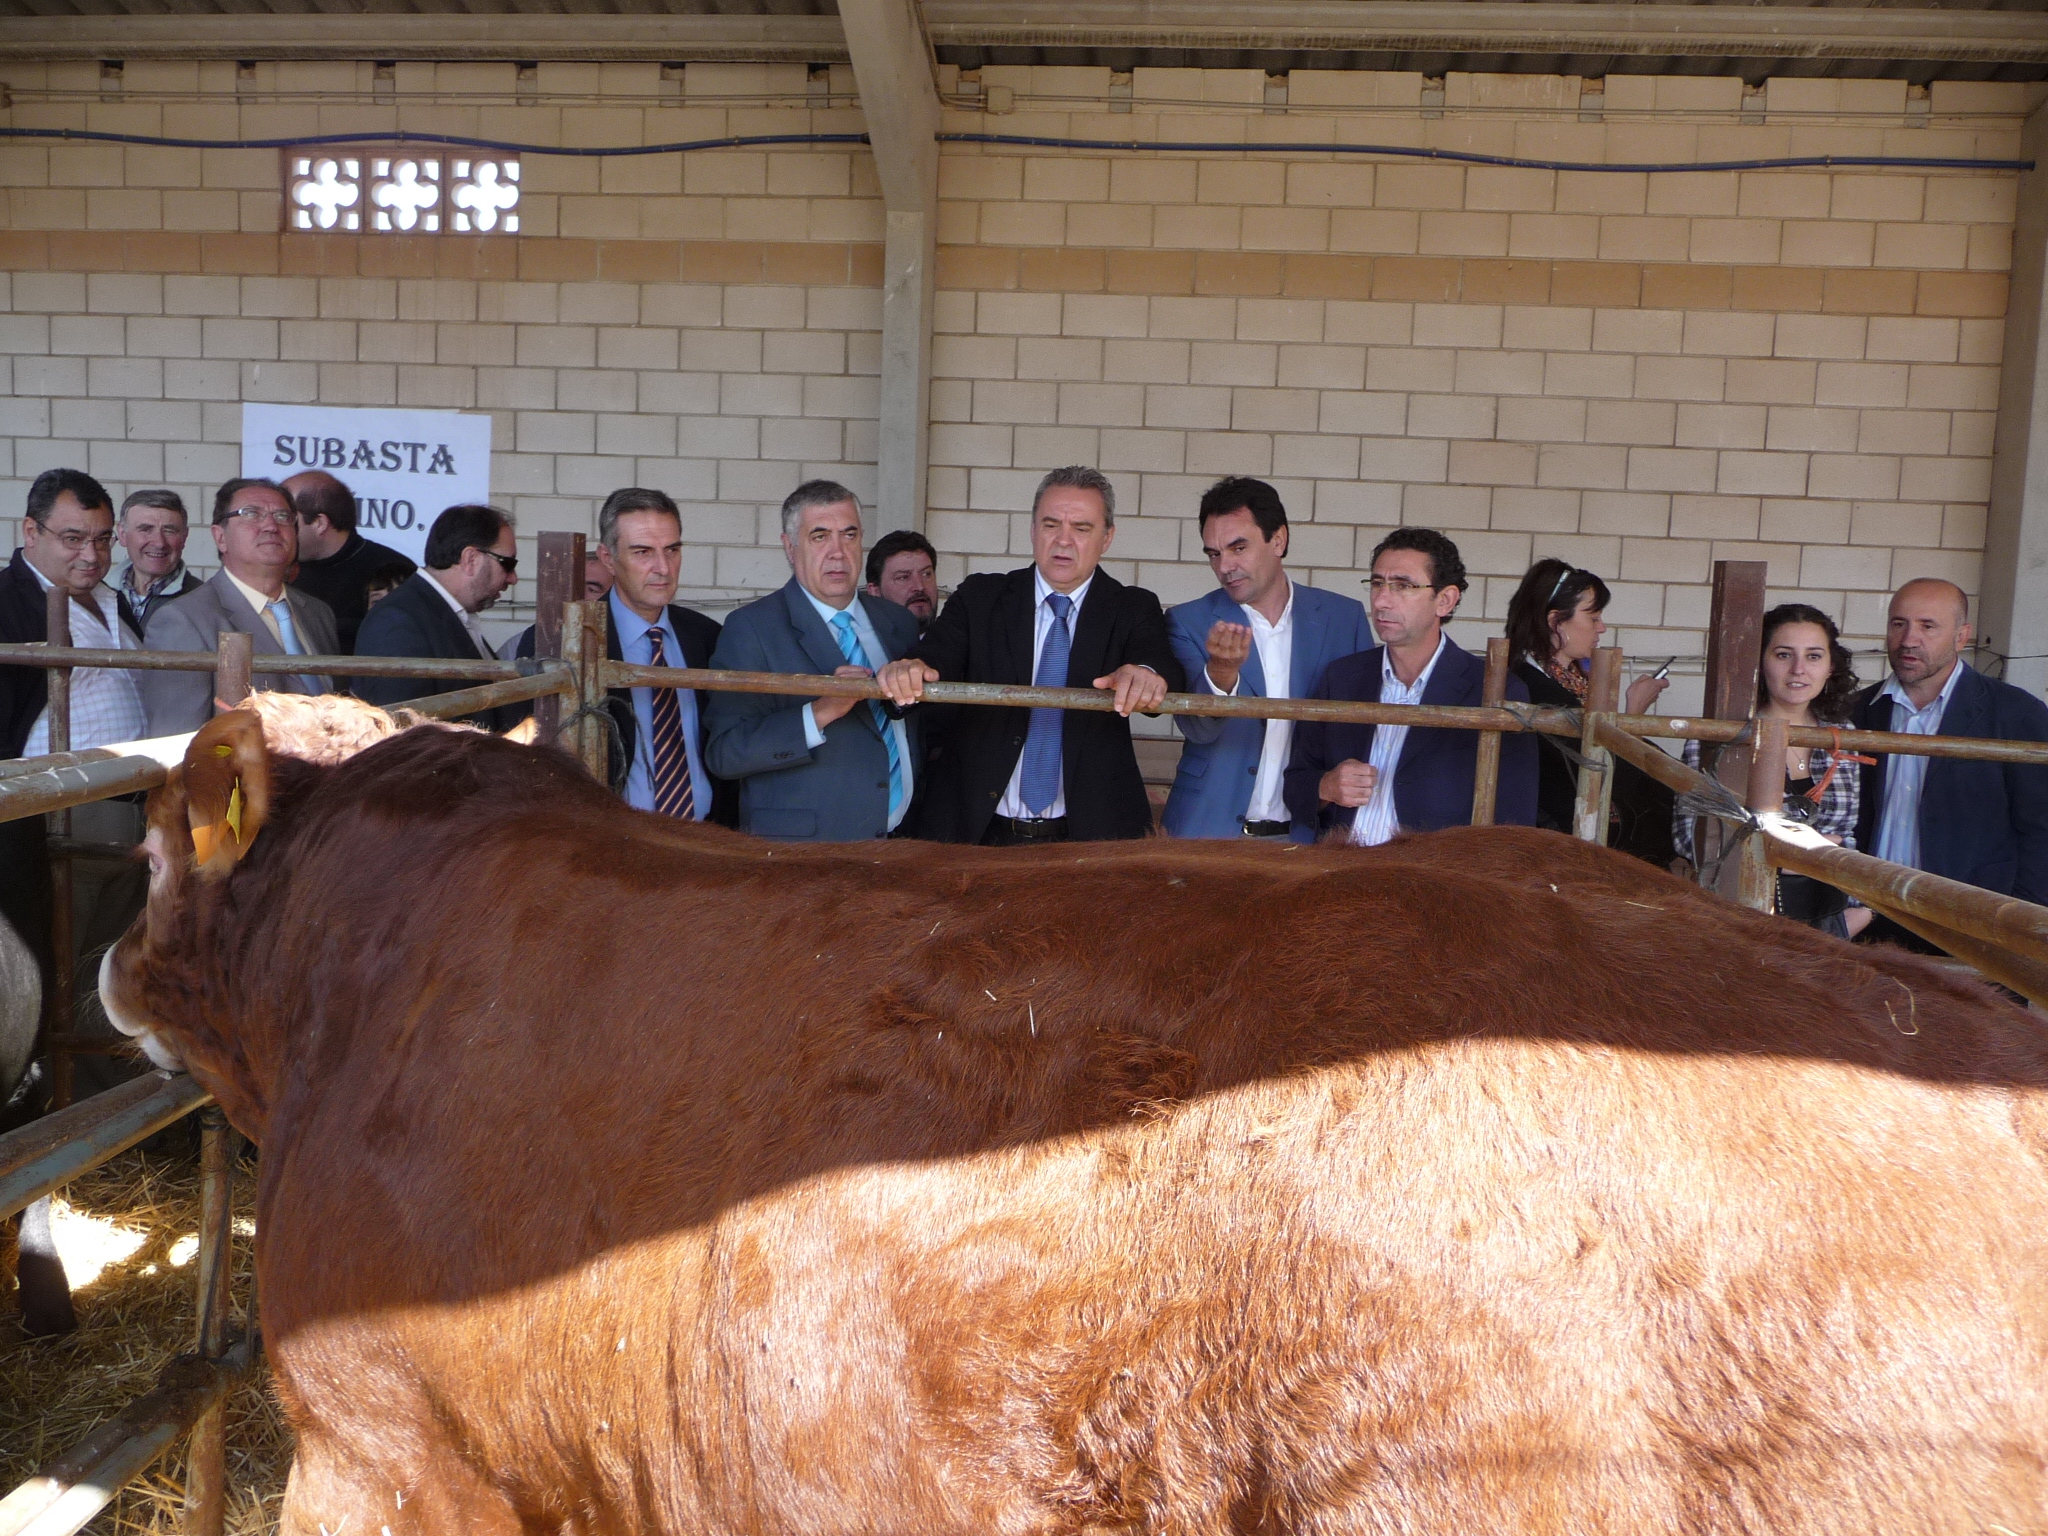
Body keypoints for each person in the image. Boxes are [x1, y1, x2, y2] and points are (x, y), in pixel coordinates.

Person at [878, 465, 1184, 845]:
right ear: (1033, 529)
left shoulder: (1132, 607)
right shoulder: (980, 597)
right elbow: (935, 654)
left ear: (1107, 538)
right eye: (1051, 524)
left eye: (1082, 528)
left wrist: (1144, 673)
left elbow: (1158, 662)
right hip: (976, 834)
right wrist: (912, 669)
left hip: (1089, 837)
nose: (1063, 541)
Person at [1284, 528, 1538, 843]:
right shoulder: (1341, 678)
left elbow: (1515, 819)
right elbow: (1295, 785)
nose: (1381, 600)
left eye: (1403, 586)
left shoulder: (1494, 690)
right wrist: (1326, 787)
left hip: (1434, 879)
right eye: (1377, 584)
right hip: (1342, 874)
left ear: (1445, 600)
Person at [705, 481, 920, 842]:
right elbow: (726, 753)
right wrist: (820, 712)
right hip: (806, 854)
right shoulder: (751, 628)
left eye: (849, 535)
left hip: (903, 842)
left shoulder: (897, 622)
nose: (838, 552)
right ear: (790, 547)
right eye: (819, 537)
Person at [1162, 476, 1370, 841]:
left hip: (1306, 833)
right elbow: (1199, 728)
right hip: (1205, 830)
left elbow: (1360, 730)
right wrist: (1221, 673)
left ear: (1279, 540)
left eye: (1238, 547)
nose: (1224, 566)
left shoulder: (1343, 618)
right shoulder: (1188, 621)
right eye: (1214, 553)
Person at [1851, 578, 2048, 949]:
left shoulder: (2015, 714)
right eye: (1898, 624)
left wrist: (2020, 925)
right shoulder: (1858, 710)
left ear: (1961, 636)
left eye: (1928, 626)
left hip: (1972, 924)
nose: (1909, 639)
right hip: (1870, 921)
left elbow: (2042, 830)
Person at [520, 489, 733, 824]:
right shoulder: (560, 640)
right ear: (607, 558)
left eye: (672, 550)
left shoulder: (707, 636)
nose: (663, 568)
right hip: (610, 845)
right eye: (643, 552)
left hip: (703, 841)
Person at [1668, 604, 1866, 936]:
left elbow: (1845, 837)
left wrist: (1862, 913)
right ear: (1760, 661)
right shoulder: (1721, 735)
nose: (1799, 669)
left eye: (1814, 656)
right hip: (1738, 918)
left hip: (1828, 922)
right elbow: (1688, 837)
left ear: (1831, 666)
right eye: (1784, 655)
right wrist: (1790, 855)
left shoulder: (1841, 735)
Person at [137, 478, 340, 734]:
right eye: (251, 514)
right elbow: (180, 742)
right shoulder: (183, 620)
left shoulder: (317, 613)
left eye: (282, 516)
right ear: (220, 537)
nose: (270, 525)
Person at [1504, 558, 1674, 863]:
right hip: (1558, 850)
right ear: (1555, 621)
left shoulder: (1574, 679)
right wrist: (1634, 714)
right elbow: (1607, 777)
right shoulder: (1528, 686)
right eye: (1593, 617)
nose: (1601, 627)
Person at [2, 468, 144, 760]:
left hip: (138, 790)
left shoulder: (111, 598)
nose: (91, 555)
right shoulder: (5, 604)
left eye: (103, 539)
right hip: (59, 796)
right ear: (31, 531)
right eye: (73, 539)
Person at [352, 505, 525, 731]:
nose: (513, 578)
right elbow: (400, 738)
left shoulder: (438, 612)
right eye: (507, 564)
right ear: (470, 559)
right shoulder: (399, 621)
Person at [284, 470, 413, 653]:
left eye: (287, 518)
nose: (276, 527)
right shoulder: (279, 569)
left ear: (320, 523)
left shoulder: (392, 571)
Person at [111, 489, 201, 633]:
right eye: (146, 529)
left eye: (169, 530)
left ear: (184, 537)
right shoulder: (96, 594)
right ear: (122, 534)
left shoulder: (203, 602)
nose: (159, 543)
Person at [865, 530, 940, 633]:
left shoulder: (959, 645)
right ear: (875, 591)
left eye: (926, 574)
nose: (919, 587)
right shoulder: (860, 646)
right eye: (903, 577)